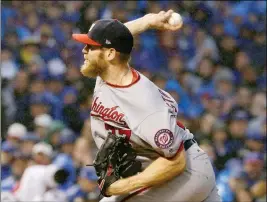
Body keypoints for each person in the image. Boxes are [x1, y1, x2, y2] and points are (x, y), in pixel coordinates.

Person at [72, 10, 221, 202]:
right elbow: (118, 36)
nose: (84, 50)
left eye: (90, 47)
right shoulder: (108, 73)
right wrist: (147, 21)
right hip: (170, 169)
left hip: (184, 171)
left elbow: (176, 162)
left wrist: (124, 185)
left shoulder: (142, 102)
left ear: (109, 54)